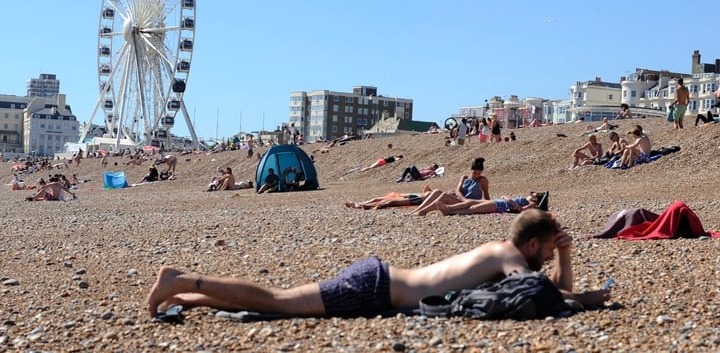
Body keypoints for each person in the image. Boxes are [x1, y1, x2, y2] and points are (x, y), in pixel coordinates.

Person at [146, 209, 610, 318]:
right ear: (532, 244)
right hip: (375, 288)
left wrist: (567, 256)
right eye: (550, 248)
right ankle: (182, 278)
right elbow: (542, 293)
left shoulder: (507, 255)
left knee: (274, 304)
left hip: (378, 282)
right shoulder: (507, 255)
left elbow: (546, 286)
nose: (551, 256)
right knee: (278, 302)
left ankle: (188, 297)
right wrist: (586, 300)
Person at [408, 158, 489, 215]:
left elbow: (487, 197)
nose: (476, 175)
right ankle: (417, 210)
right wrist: (463, 199)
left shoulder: (482, 180)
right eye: (474, 173)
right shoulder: (464, 177)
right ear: (471, 170)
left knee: (443, 196)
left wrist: (487, 206)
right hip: (461, 201)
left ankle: (422, 212)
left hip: (469, 204)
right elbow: (458, 191)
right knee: (436, 191)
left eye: (479, 173)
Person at [409, 193, 545, 216]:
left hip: (501, 206)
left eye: (534, 194)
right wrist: (509, 199)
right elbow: (505, 196)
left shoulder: (532, 205)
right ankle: (449, 209)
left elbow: (521, 210)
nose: (531, 193)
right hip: (500, 201)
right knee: (470, 203)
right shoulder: (523, 199)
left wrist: (510, 201)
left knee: (472, 209)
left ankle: (449, 210)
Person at [345, 186, 434, 209]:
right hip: (413, 196)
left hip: (418, 200)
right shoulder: (435, 193)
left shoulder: (437, 196)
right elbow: (426, 187)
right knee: (377, 198)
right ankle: (360, 203)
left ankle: (361, 205)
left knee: (389, 202)